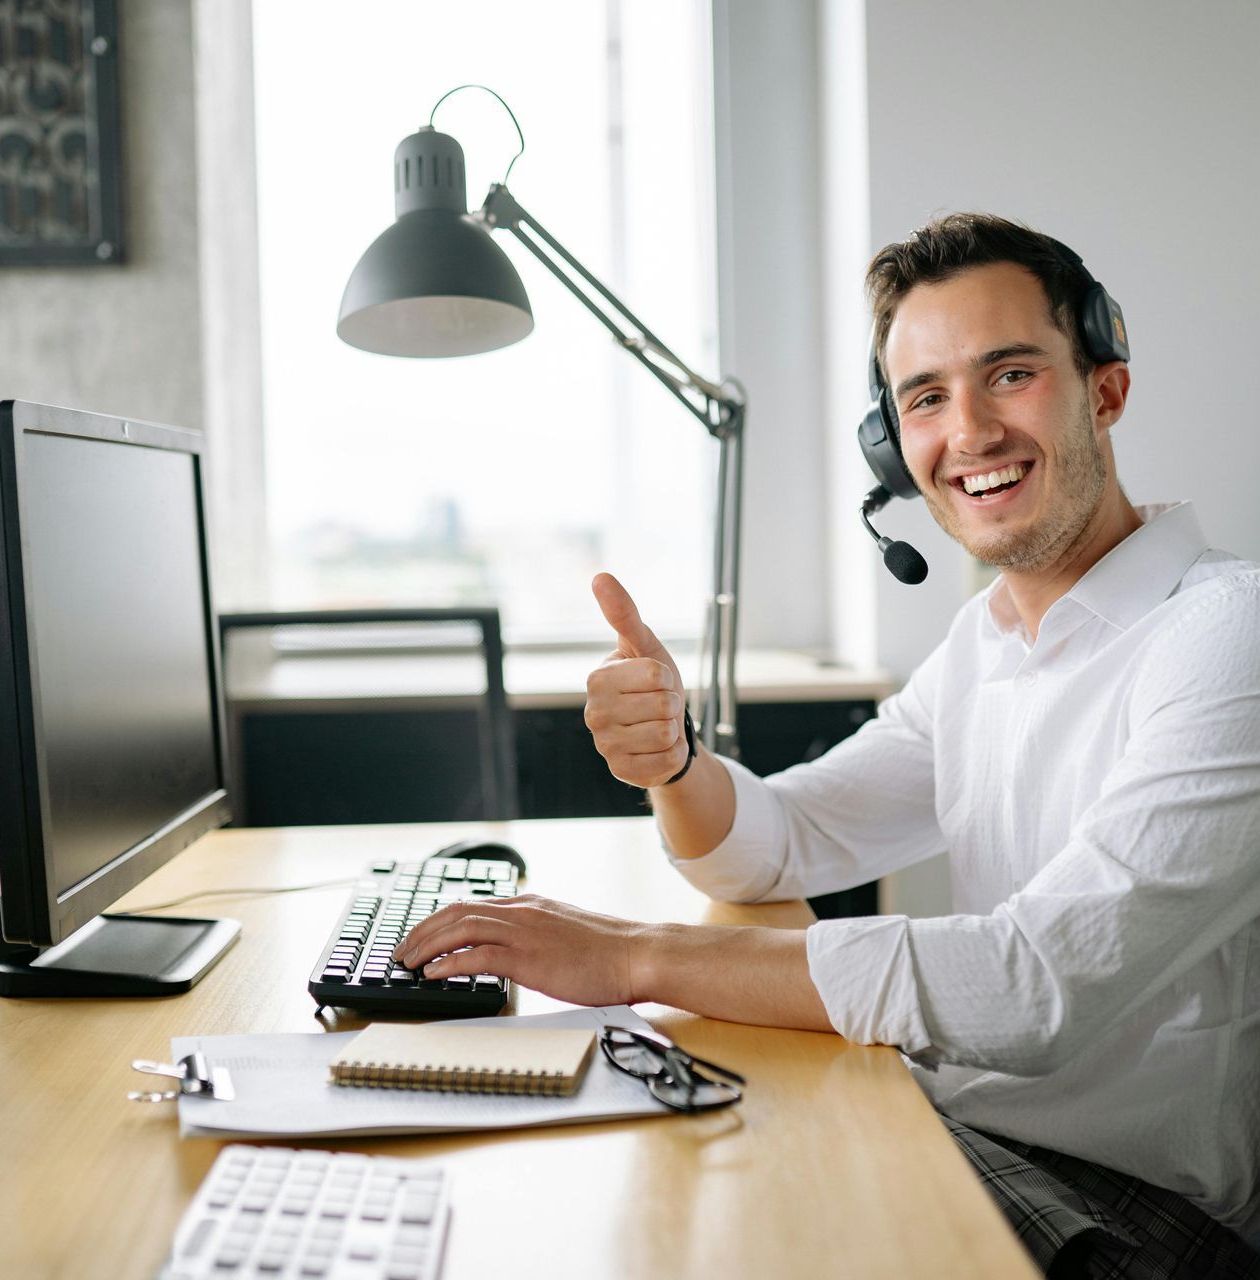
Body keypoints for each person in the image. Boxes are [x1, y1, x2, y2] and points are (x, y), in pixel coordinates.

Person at [395, 214, 1260, 1275]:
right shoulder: (986, 643)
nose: (970, 432)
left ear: (1104, 388)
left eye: (1010, 374)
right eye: (925, 398)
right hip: (977, 1129)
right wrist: (673, 759)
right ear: (891, 446)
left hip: (1138, 1214)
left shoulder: (1223, 633)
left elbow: (1032, 987)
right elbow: (778, 840)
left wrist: (628, 955)